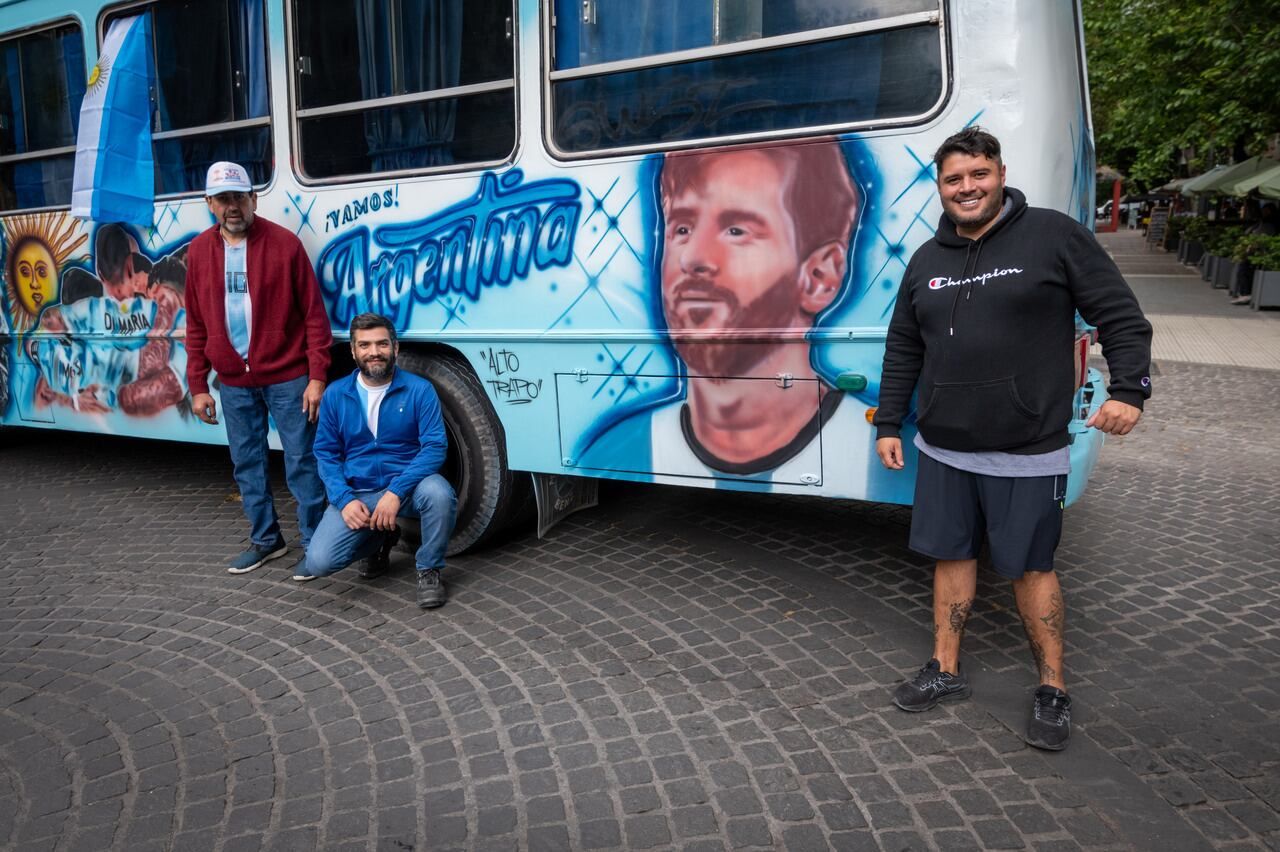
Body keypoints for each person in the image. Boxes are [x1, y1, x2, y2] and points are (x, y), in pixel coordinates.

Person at [873, 127, 1152, 751]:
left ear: (999, 173)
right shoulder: (927, 260)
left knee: (1031, 566)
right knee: (951, 556)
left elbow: (1121, 315)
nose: (967, 188)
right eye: (953, 179)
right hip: (943, 445)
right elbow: (904, 347)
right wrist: (890, 422)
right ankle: (945, 670)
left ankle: (1053, 688)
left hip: (1028, 444)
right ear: (939, 188)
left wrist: (1130, 390)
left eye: (978, 174)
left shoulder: (1052, 236)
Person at [581, 144, 863, 480]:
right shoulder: (616, 452)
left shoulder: (877, 455)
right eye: (682, 229)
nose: (693, 258)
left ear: (819, 277)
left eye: (736, 231)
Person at [185, 161, 332, 574]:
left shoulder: (285, 244)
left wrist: (317, 375)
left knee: (302, 460)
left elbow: (314, 317)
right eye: (223, 198)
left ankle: (315, 545)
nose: (232, 206)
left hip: (288, 377)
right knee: (247, 463)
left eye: (239, 197)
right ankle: (267, 541)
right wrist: (197, 384)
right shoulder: (197, 252)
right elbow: (194, 322)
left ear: (253, 198)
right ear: (209, 203)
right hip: (233, 383)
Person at [295, 313, 456, 610]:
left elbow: (434, 447)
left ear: (395, 349)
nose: (374, 352)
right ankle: (381, 538)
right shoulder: (335, 395)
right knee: (318, 562)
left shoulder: (420, 390)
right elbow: (326, 453)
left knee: (439, 494)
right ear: (353, 351)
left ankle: (429, 568)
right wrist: (343, 500)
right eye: (365, 345)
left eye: (382, 344)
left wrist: (396, 492)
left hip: (409, 486)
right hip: (360, 492)